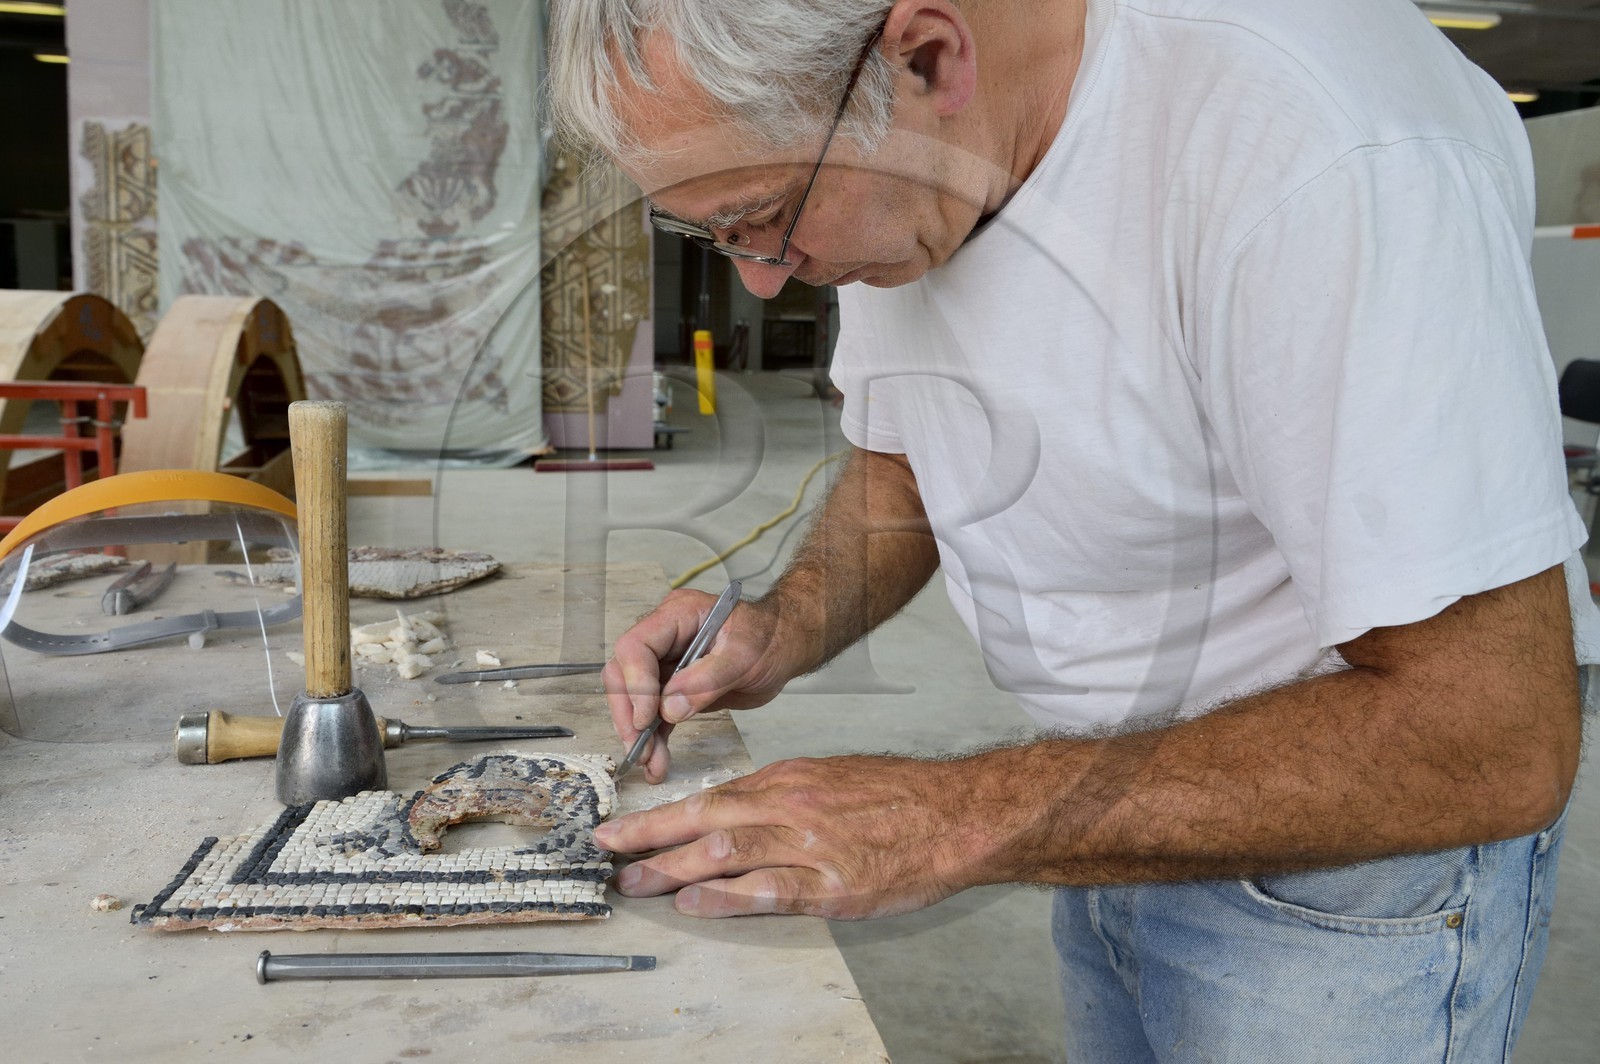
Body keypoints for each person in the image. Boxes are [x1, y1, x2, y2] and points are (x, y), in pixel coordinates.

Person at [549, 0, 1599, 1058]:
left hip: (1348, 863)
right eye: (711, 231)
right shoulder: (899, 160)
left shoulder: (1317, 145)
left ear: (926, 55)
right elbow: (908, 459)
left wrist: (953, 815)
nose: (762, 276)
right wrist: (783, 624)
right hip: (1104, 811)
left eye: (765, 215)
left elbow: (1491, 734)